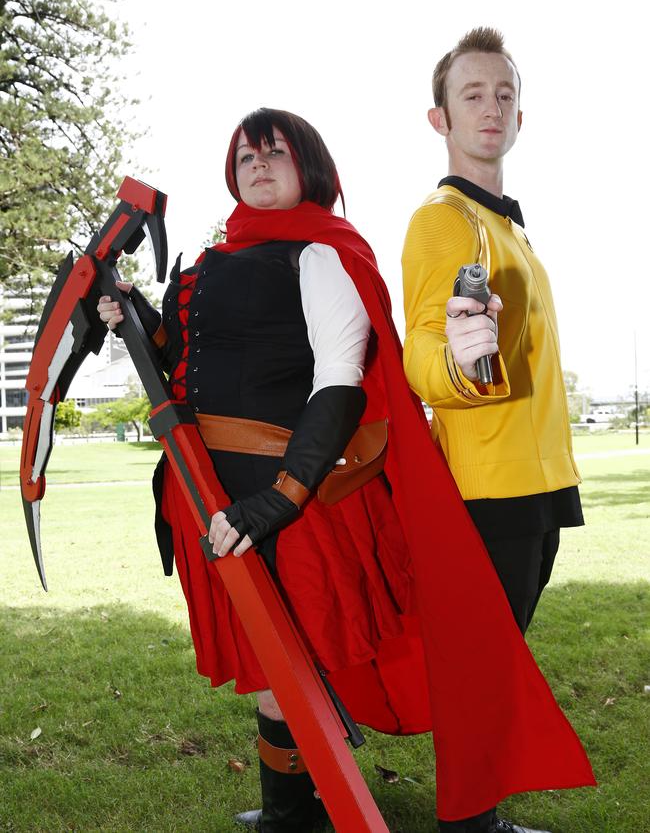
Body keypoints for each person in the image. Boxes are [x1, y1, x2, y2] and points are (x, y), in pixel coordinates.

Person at [99, 108, 593, 832]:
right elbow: (186, 357)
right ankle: (291, 810)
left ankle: (445, 802)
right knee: (265, 660)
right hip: (209, 490)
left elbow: (340, 381)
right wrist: (134, 312)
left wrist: (282, 497)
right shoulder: (211, 260)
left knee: (308, 650)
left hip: (299, 497)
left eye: (274, 152)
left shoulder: (322, 253)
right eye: (245, 156)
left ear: (310, 167)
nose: (257, 164)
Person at [402, 28, 587, 831]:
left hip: (538, 482)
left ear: (521, 117)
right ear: (438, 119)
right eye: (472, 94)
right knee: (482, 670)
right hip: (488, 490)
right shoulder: (443, 222)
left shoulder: (510, 228)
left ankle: (481, 815)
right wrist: (457, 364)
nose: (492, 106)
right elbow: (423, 350)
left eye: (504, 93)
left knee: (497, 666)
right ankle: (471, 824)